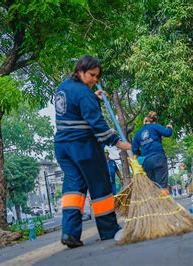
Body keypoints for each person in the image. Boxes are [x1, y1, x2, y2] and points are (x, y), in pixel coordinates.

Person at [54, 55, 131, 248]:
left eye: (97, 77)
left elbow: (74, 109)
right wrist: (116, 142)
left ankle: (70, 233)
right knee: (99, 186)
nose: (95, 80)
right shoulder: (83, 92)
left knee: (73, 188)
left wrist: (92, 98)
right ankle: (109, 230)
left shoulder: (62, 88)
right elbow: (95, 121)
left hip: (63, 146)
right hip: (83, 145)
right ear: (80, 71)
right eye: (92, 75)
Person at [132, 111, 173, 195]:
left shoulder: (138, 134)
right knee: (162, 186)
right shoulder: (155, 126)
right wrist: (169, 127)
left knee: (153, 186)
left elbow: (134, 150)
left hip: (146, 162)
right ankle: (166, 205)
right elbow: (167, 133)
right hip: (158, 158)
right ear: (154, 121)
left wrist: (142, 154)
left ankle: (155, 206)